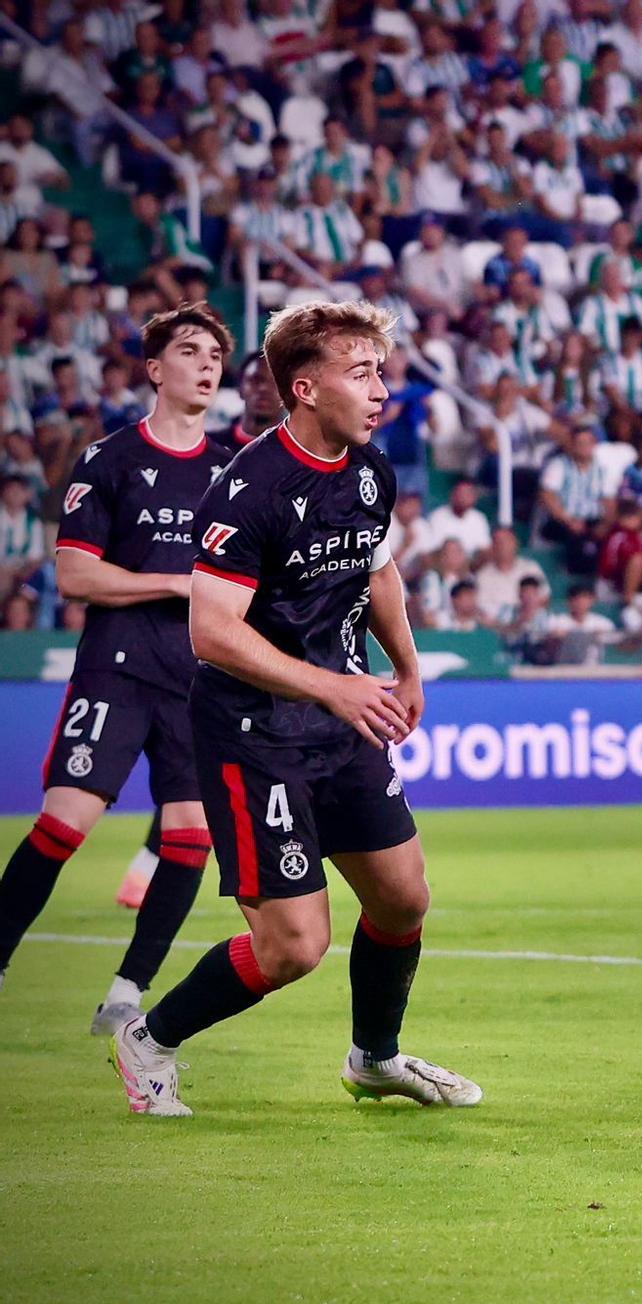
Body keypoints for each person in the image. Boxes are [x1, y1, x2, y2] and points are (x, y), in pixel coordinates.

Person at [110, 300, 481, 1116]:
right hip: (254, 734)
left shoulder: (371, 470)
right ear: (304, 389)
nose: (381, 389)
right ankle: (150, 1038)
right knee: (292, 948)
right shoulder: (249, 491)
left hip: (341, 720)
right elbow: (211, 635)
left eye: (381, 371)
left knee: (403, 897)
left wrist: (404, 668)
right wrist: (335, 686)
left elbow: (375, 570)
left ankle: (374, 1059)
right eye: (362, 373)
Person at [0, 303, 234, 1036]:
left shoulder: (231, 475)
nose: (205, 365)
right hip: (117, 669)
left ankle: (129, 993)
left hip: (196, 681)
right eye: (189, 351)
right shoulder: (110, 460)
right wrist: (170, 583)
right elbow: (75, 576)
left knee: (191, 834)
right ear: (155, 369)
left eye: (215, 357)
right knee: (66, 823)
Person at [120, 347, 284, 911]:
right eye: (253, 381)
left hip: (273, 630)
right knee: (193, 757)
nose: (263, 389)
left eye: (271, 381)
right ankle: (157, 856)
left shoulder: (298, 459)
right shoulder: (213, 458)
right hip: (207, 626)